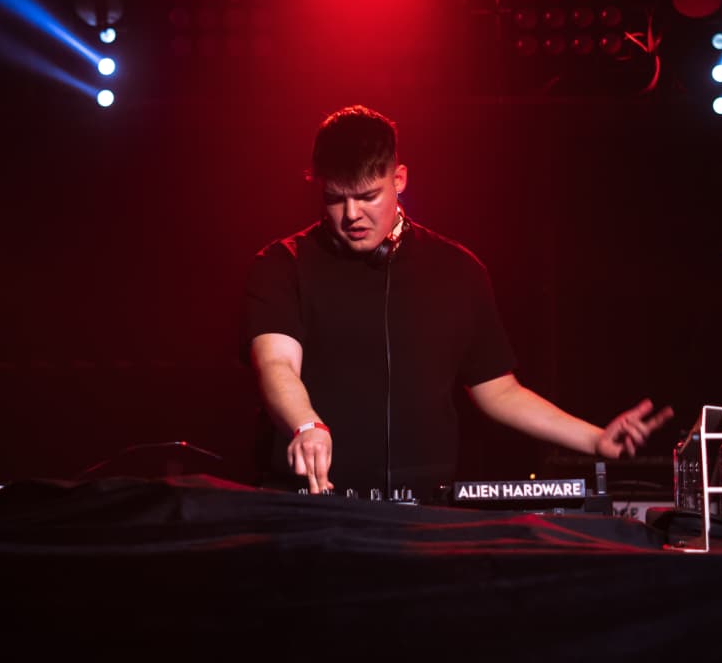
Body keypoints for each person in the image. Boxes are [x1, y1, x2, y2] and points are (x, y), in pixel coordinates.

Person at [243, 104, 673, 500]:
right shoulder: (283, 265)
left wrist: (594, 439)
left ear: (399, 180)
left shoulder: (457, 270)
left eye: (368, 196)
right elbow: (277, 364)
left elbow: (499, 391)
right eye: (335, 198)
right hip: (308, 505)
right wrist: (305, 424)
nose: (351, 214)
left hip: (425, 514)